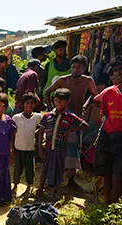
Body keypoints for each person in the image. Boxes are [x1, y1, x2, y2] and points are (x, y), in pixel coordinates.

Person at [43, 55, 97, 191]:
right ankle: (55, 178)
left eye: (79, 67)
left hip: (76, 118)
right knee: (58, 148)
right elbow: (47, 92)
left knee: (73, 149)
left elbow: (94, 95)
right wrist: (51, 108)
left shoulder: (88, 81)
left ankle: (71, 180)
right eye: (73, 67)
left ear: (84, 68)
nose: (75, 70)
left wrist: (86, 105)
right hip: (62, 118)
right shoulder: (64, 80)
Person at [37, 88, 87, 197]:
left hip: (61, 148)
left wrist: (70, 130)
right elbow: (41, 132)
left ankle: (56, 190)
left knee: (59, 169)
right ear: (53, 101)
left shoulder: (69, 116)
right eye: (56, 100)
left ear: (67, 102)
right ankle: (40, 188)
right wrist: (40, 148)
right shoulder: (47, 116)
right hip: (49, 147)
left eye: (61, 101)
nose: (58, 103)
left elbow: (84, 124)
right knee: (45, 167)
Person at [93, 56, 122, 204]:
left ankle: (114, 209)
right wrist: (107, 118)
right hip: (108, 137)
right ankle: (108, 205)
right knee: (107, 173)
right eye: (114, 72)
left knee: (118, 175)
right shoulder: (109, 92)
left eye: (119, 71)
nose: (116, 75)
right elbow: (98, 103)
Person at [12, 93, 42, 195]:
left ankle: (28, 188)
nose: (29, 105)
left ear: (34, 105)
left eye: (32, 103)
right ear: (23, 104)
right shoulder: (16, 117)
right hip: (18, 148)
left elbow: (42, 128)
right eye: (27, 103)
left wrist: (36, 133)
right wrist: (11, 148)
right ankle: (15, 186)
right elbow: (13, 134)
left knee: (30, 170)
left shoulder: (38, 117)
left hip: (30, 149)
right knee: (17, 169)